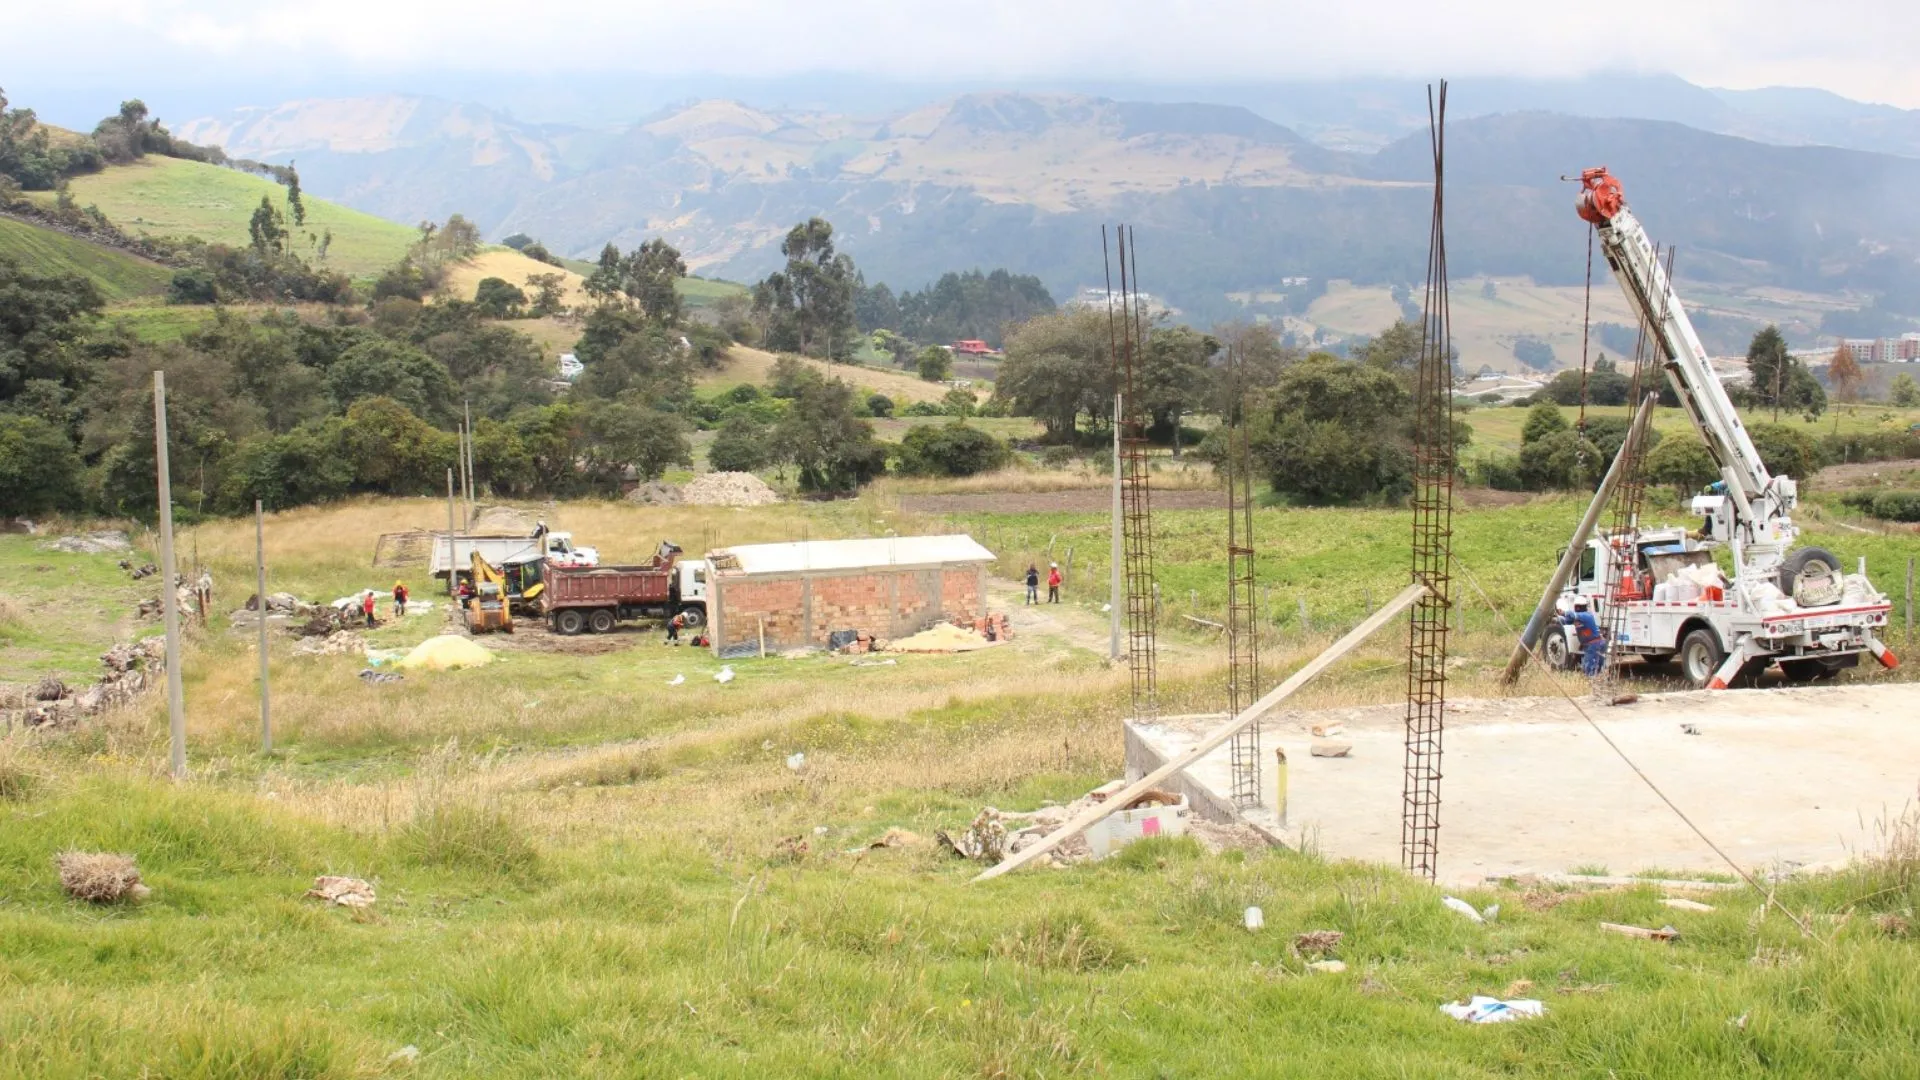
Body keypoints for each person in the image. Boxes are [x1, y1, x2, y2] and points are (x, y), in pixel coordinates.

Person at [1563, 598, 1605, 676]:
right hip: (1592, 645)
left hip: (1594, 645)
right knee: (1595, 668)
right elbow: (1567, 621)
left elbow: (1571, 615)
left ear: (1577, 607)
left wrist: (1563, 612)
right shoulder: (1580, 618)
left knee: (1589, 669)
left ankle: (1592, 682)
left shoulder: (1586, 615)